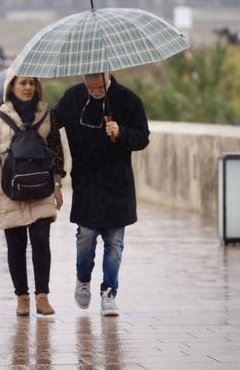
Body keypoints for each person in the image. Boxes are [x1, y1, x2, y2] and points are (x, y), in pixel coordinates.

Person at [0, 70, 65, 316]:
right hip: (9, 189)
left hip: (42, 188)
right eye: (22, 83)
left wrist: (58, 185)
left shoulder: (46, 114)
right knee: (15, 245)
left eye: (32, 83)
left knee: (41, 240)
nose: (28, 87)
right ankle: (22, 297)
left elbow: (57, 152)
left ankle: (42, 296)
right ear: (11, 87)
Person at [52, 72, 149, 316]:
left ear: (108, 76)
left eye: (100, 88)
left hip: (118, 184)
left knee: (114, 243)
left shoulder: (128, 99)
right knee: (86, 237)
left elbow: (142, 137)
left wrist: (121, 133)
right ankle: (83, 278)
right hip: (86, 182)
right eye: (90, 88)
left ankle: (109, 292)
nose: (95, 92)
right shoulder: (73, 97)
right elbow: (51, 125)